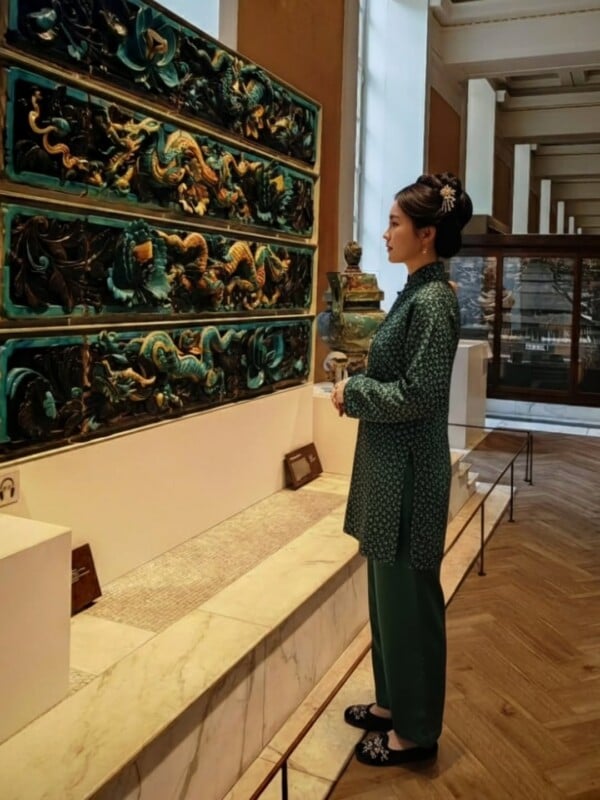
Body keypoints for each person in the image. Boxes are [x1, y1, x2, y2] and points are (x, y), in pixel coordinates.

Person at [331, 172, 473, 767]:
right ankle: (393, 702)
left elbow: (417, 393)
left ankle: (415, 731)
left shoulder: (435, 302)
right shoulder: (415, 292)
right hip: (391, 468)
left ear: (427, 234)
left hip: (409, 472)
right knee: (387, 598)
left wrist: (353, 392)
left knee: (410, 603)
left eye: (394, 223)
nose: (385, 234)